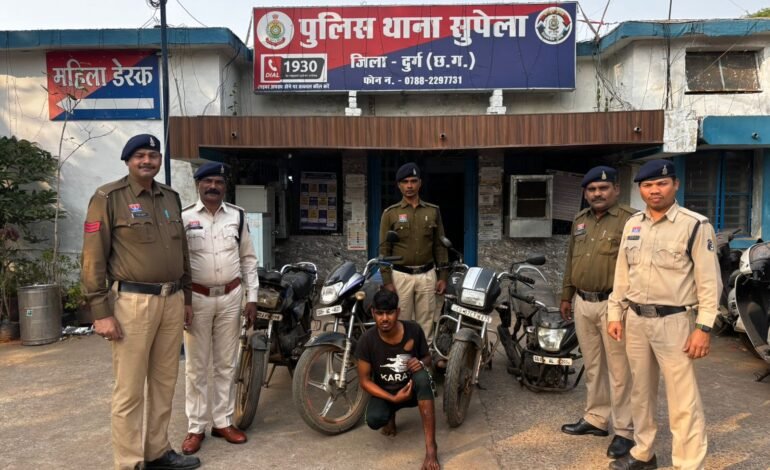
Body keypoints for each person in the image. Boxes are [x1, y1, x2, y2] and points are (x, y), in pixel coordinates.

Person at [81, 134, 200, 470]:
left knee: (164, 383)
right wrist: (101, 312)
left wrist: (186, 297)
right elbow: (92, 258)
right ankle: (130, 461)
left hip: (172, 300)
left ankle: (157, 451)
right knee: (130, 389)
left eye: (153, 155)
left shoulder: (170, 197)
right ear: (128, 161)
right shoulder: (108, 197)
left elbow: (182, 252)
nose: (147, 161)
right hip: (133, 303)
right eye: (140, 156)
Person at [607, 160, 721, 470]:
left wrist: (703, 327)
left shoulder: (695, 225)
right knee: (640, 393)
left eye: (661, 183)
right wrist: (615, 313)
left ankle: (688, 463)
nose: (654, 190)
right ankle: (644, 453)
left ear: (675, 185)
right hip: (635, 320)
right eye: (647, 185)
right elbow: (622, 274)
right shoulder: (633, 224)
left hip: (675, 322)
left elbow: (709, 282)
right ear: (640, 189)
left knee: (683, 399)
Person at [180, 162, 259, 455]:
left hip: (231, 297)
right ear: (198, 184)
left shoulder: (237, 215)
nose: (213, 186)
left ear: (225, 186)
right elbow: (179, 263)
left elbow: (248, 258)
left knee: (227, 363)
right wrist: (183, 301)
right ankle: (196, 427)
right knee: (196, 366)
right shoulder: (184, 216)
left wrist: (252, 297)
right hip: (197, 299)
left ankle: (223, 422)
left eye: (219, 182)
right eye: (208, 181)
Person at [560, 166, 636, 459]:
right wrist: (566, 295)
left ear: (616, 189)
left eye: (603, 188)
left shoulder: (630, 220)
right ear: (585, 193)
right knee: (593, 366)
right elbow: (571, 259)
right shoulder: (580, 220)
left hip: (613, 305)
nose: (597, 194)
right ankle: (596, 419)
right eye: (592, 189)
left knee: (619, 370)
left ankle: (625, 431)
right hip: (583, 302)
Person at [356, 288, 440, 470]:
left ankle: (431, 447)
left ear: (398, 312)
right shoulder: (366, 340)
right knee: (373, 420)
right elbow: (364, 381)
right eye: (380, 313)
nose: (384, 318)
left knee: (423, 377)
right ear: (373, 313)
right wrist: (393, 398)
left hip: (412, 389)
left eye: (390, 313)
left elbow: (427, 358)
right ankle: (390, 415)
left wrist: (420, 362)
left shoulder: (413, 330)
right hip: (387, 392)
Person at [379, 162, 449, 341]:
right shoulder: (390, 214)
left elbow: (439, 246)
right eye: (405, 182)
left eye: (413, 181)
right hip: (401, 276)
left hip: (427, 275)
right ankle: (402, 357)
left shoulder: (433, 211)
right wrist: (387, 281)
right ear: (399, 185)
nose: (409, 186)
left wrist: (442, 276)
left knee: (426, 323)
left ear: (420, 183)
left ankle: (423, 357)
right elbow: (384, 249)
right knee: (400, 321)